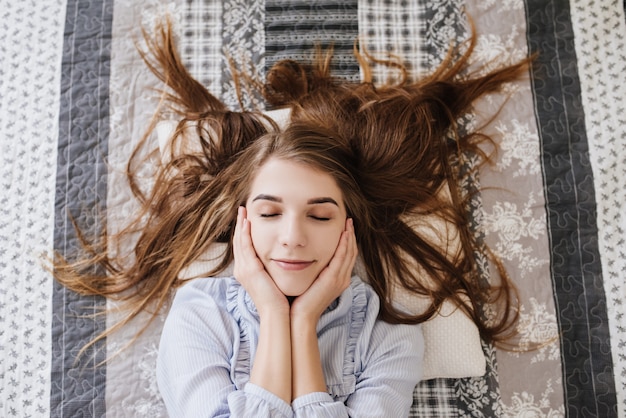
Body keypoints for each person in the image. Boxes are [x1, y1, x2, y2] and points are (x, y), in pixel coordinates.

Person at [54, 17, 529, 417]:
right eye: (270, 212)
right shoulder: (200, 313)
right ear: (244, 223)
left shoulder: (390, 336)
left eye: (319, 216)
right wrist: (272, 310)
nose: (292, 238)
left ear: (350, 227)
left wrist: (301, 323)